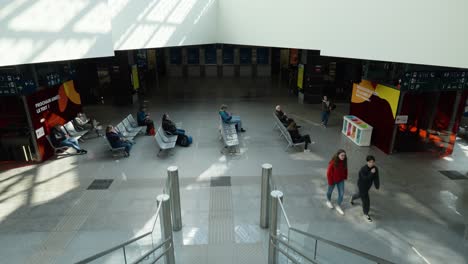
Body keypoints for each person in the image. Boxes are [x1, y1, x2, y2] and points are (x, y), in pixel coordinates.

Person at [350, 155, 380, 222]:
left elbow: (376, 177)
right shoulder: (363, 169)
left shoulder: (375, 168)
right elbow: (365, 179)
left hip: (367, 186)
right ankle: (366, 214)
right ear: (367, 162)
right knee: (366, 201)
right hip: (362, 186)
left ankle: (352, 197)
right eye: (370, 162)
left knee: (359, 195)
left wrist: (377, 185)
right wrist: (371, 173)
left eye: (373, 162)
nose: (371, 163)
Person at [326, 149, 348, 215]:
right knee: (329, 192)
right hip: (333, 180)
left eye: (344, 155)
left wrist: (345, 176)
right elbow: (328, 173)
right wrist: (330, 182)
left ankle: (338, 206)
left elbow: (345, 169)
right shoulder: (333, 163)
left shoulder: (344, 161)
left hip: (340, 180)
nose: (343, 157)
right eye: (342, 155)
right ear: (338, 155)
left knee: (341, 193)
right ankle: (328, 201)